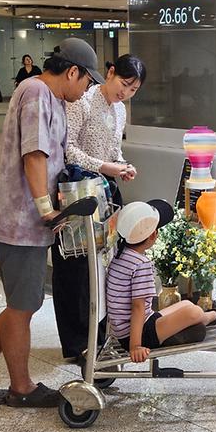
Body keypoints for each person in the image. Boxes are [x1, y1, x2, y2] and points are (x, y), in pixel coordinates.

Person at [0, 38, 104, 408]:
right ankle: (21, 388)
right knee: (22, 308)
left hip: (22, 224)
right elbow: (34, 155)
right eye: (86, 82)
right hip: (20, 224)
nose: (86, 91)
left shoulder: (48, 97)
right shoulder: (36, 91)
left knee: (21, 304)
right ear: (72, 72)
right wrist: (44, 208)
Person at [51, 54, 146, 360]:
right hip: (79, 191)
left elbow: (113, 148)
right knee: (77, 267)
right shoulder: (82, 100)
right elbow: (68, 150)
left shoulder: (119, 110)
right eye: (124, 83)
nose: (126, 93)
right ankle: (77, 341)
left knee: (104, 264)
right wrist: (105, 166)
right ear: (110, 72)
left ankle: (101, 332)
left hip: (106, 191)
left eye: (133, 90)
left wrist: (122, 165)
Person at [108, 202, 216, 363]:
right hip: (138, 333)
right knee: (194, 313)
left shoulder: (121, 254)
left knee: (187, 306)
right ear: (153, 235)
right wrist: (135, 346)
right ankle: (212, 316)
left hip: (137, 325)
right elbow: (138, 306)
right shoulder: (140, 264)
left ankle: (206, 318)